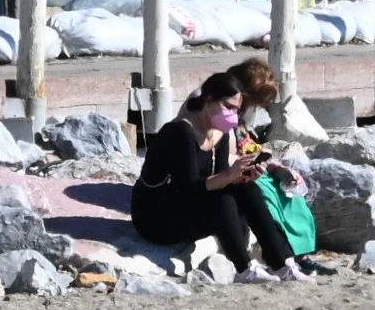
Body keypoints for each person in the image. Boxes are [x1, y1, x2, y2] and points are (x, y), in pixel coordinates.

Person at [133, 73, 317, 282]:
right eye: (228, 107)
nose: (233, 114)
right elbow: (188, 188)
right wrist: (229, 175)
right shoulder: (181, 131)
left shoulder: (219, 132)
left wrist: (242, 176)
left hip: (187, 206)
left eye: (237, 110)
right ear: (209, 101)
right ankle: (244, 269)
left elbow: (220, 180)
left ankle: (281, 264)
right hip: (157, 215)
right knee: (222, 200)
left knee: (248, 189)